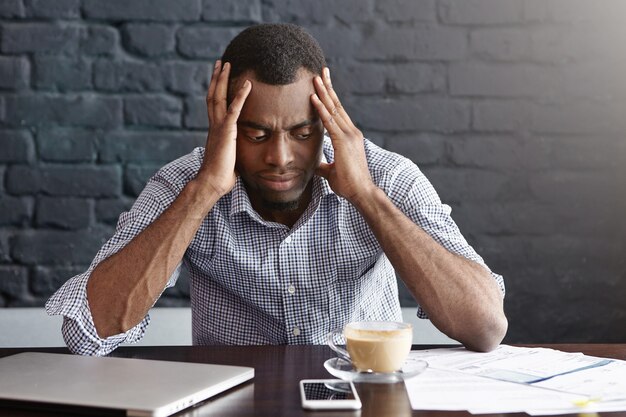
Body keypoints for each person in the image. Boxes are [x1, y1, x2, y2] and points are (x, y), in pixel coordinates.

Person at [46, 23, 507, 356]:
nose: (281, 157)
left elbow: (486, 328)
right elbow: (89, 333)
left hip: (365, 401)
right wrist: (204, 190)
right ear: (224, 123)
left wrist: (366, 196)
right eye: (257, 134)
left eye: (302, 134)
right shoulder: (185, 185)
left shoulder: (384, 177)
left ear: (326, 123)